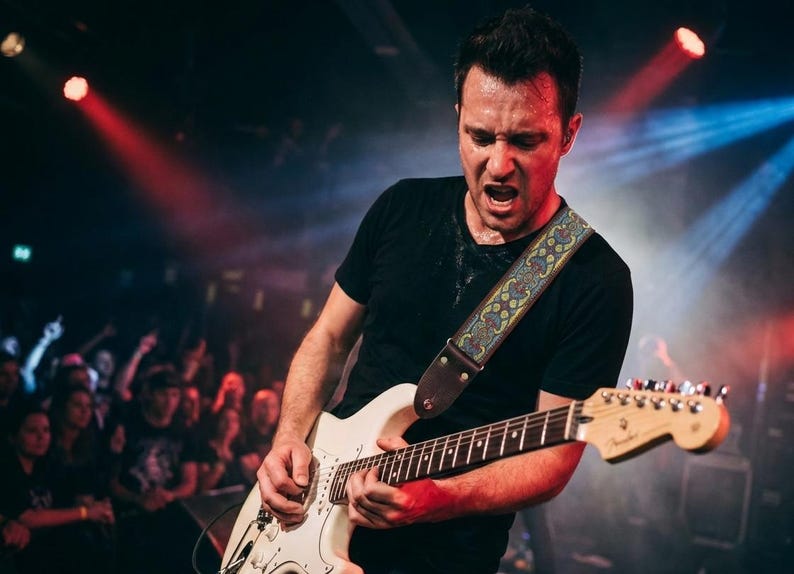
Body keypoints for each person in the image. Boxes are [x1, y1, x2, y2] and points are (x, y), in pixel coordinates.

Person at [255, 6, 633, 573]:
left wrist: (441, 499)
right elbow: (330, 338)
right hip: (305, 523)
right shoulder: (402, 207)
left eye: (526, 141)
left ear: (569, 135)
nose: (498, 164)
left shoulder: (594, 279)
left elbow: (554, 458)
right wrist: (290, 437)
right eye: (479, 136)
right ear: (456, 117)